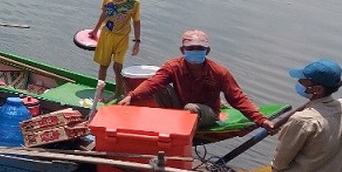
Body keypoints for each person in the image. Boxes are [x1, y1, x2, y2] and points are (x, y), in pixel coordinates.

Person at [116, 29, 275, 132]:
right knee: (158, 87)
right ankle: (168, 119)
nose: (195, 51)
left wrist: (261, 120)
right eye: (191, 48)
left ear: (207, 51)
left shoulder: (219, 72)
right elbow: (153, 83)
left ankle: (181, 132)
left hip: (207, 112)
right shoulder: (173, 66)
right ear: (182, 50)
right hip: (181, 106)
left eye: (200, 49)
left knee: (191, 108)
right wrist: (131, 96)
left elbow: (238, 98)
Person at [88, 0, 141, 99]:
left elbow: (136, 21)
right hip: (106, 35)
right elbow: (104, 14)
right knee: (103, 65)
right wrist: (95, 30)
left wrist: (137, 41)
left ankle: (118, 93)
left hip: (122, 37)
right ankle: (99, 93)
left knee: (118, 67)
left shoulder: (134, 3)